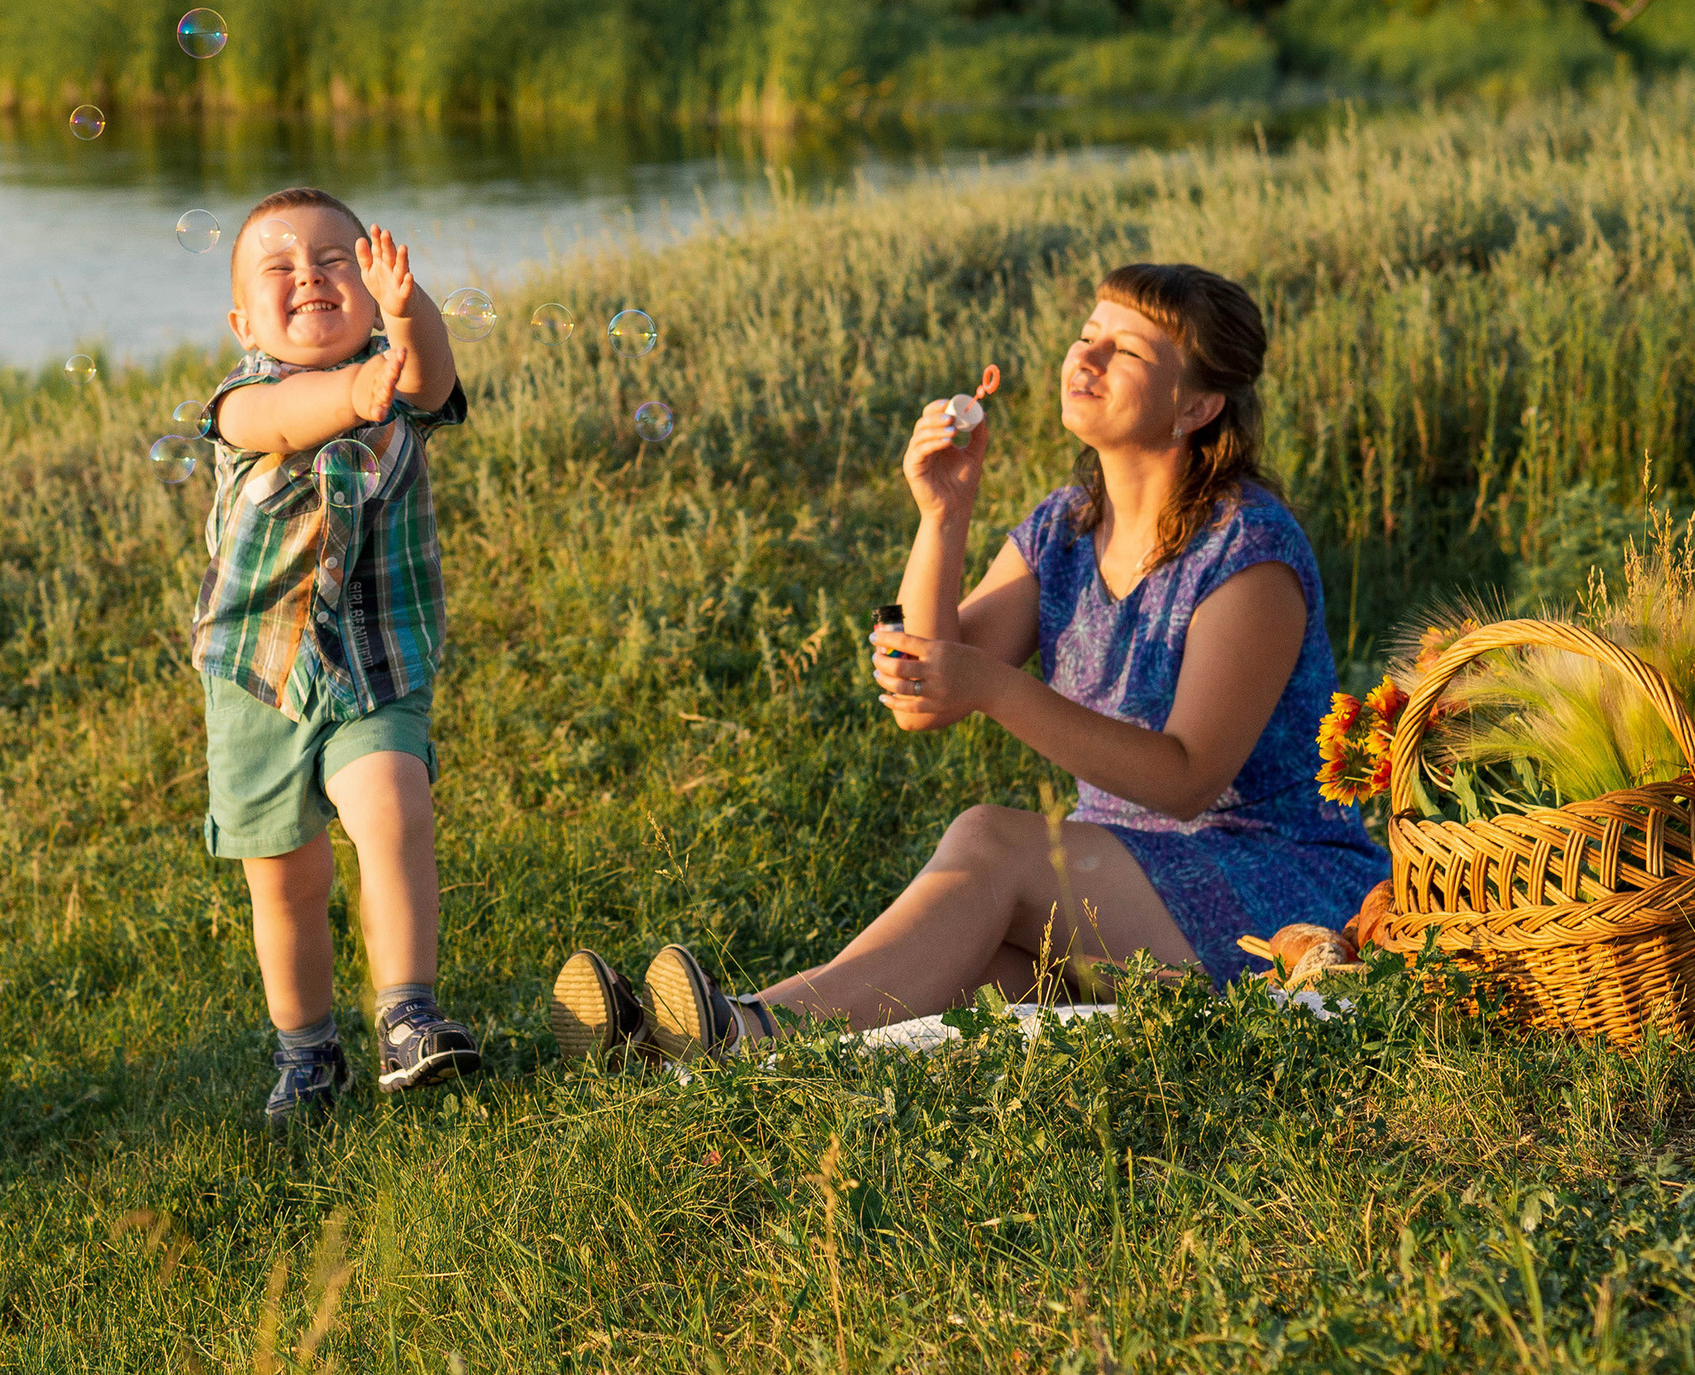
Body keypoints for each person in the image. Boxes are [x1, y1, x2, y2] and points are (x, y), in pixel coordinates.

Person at [550, 262, 1388, 1062]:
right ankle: (698, 1045)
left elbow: (1186, 779)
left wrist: (993, 687)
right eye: (1087, 334)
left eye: (1126, 350)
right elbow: (923, 695)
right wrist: (942, 514)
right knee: (961, 974)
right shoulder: (1065, 527)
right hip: (1125, 887)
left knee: (991, 842)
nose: (1086, 357)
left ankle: (740, 1032)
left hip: (1274, 895)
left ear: (1197, 405)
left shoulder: (1248, 553)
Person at [194, 186, 483, 1122]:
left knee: (395, 809)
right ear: (244, 322)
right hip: (260, 676)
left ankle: (408, 1014)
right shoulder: (240, 400)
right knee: (287, 880)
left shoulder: (397, 380)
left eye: (333, 262)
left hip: (377, 659)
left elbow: (431, 377)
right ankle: (309, 1051)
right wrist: (353, 394)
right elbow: (285, 419)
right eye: (279, 267)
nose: (309, 276)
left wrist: (408, 311)